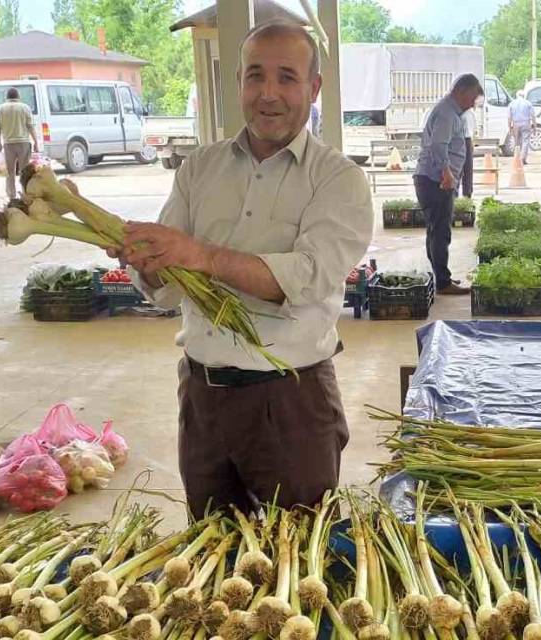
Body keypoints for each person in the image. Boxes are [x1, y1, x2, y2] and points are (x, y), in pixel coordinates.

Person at [115, 21, 374, 516]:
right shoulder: (199, 169)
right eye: (255, 76)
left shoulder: (339, 180)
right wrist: (148, 263)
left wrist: (199, 255)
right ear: (237, 83)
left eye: (287, 78)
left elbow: (307, 276)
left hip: (289, 404)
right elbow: (166, 291)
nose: (269, 94)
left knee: (299, 562)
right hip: (202, 399)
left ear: (314, 87)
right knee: (214, 559)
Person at [415, 74, 483, 296]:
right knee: (440, 232)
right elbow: (438, 145)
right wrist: (446, 172)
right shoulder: (447, 113)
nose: (473, 104)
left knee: (435, 230)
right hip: (436, 181)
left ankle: (440, 276)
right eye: (472, 98)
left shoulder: (450, 111)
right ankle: (443, 283)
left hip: (432, 180)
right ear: (461, 91)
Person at [0, 87, 39, 199]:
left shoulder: (1, 108)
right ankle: (25, 195)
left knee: (10, 173)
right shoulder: (25, 108)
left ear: (7, 97)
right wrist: (36, 142)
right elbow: (30, 126)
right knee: (25, 172)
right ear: (18, 97)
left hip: (8, 144)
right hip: (23, 143)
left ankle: (12, 197)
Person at [508, 90, 535, 164]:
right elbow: (533, 115)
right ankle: (523, 158)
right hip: (526, 123)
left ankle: (517, 158)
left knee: (517, 142)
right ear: (524, 96)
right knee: (525, 141)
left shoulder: (512, 103)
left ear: (517, 95)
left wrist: (509, 127)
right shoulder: (528, 103)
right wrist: (534, 126)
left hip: (516, 124)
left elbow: (509, 117)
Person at [460, 100, 477, 198]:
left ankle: (459, 193)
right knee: (468, 169)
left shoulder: (460, 112)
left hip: (462, 140)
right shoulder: (471, 112)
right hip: (468, 140)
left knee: (460, 168)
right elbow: (474, 130)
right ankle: (468, 192)